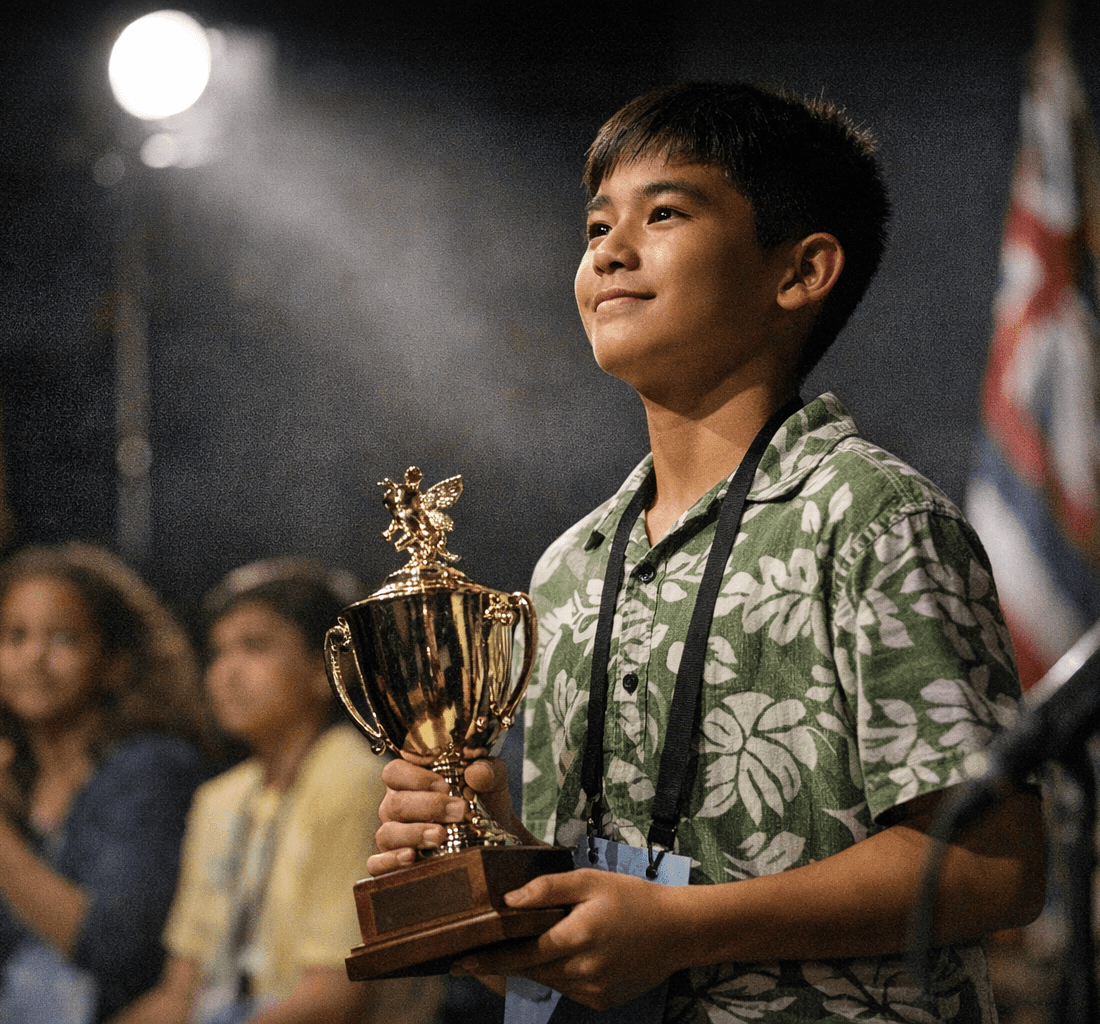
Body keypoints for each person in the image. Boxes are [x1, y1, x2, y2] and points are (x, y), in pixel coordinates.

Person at [368, 81, 1048, 1023]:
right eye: (596, 224)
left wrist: (683, 927)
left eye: (665, 213)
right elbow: (590, 926)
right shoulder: (571, 566)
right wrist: (483, 870)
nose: (610, 249)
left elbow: (993, 867)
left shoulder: (870, 519)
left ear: (800, 271)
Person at [0, 541, 217, 1023]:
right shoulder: (3, 777)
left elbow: (116, 951)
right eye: (15, 637)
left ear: (114, 662)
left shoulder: (154, 767)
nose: (34, 657)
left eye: (63, 639)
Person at [111, 557, 438, 1024]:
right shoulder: (219, 799)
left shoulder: (354, 777)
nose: (227, 671)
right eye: (217, 652)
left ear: (327, 668)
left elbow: (336, 994)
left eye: (255, 646)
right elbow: (181, 991)